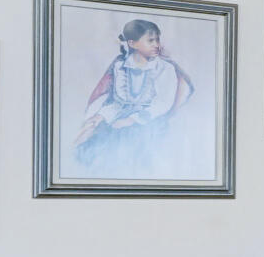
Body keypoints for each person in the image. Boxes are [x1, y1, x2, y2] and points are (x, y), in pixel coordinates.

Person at [74, 18, 194, 173]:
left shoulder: (165, 68)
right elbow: (118, 102)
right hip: (120, 119)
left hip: (150, 122)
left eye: (157, 40)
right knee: (89, 146)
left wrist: (131, 119)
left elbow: (162, 103)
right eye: (150, 40)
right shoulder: (121, 66)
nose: (156, 45)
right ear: (132, 43)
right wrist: (101, 116)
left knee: (131, 150)